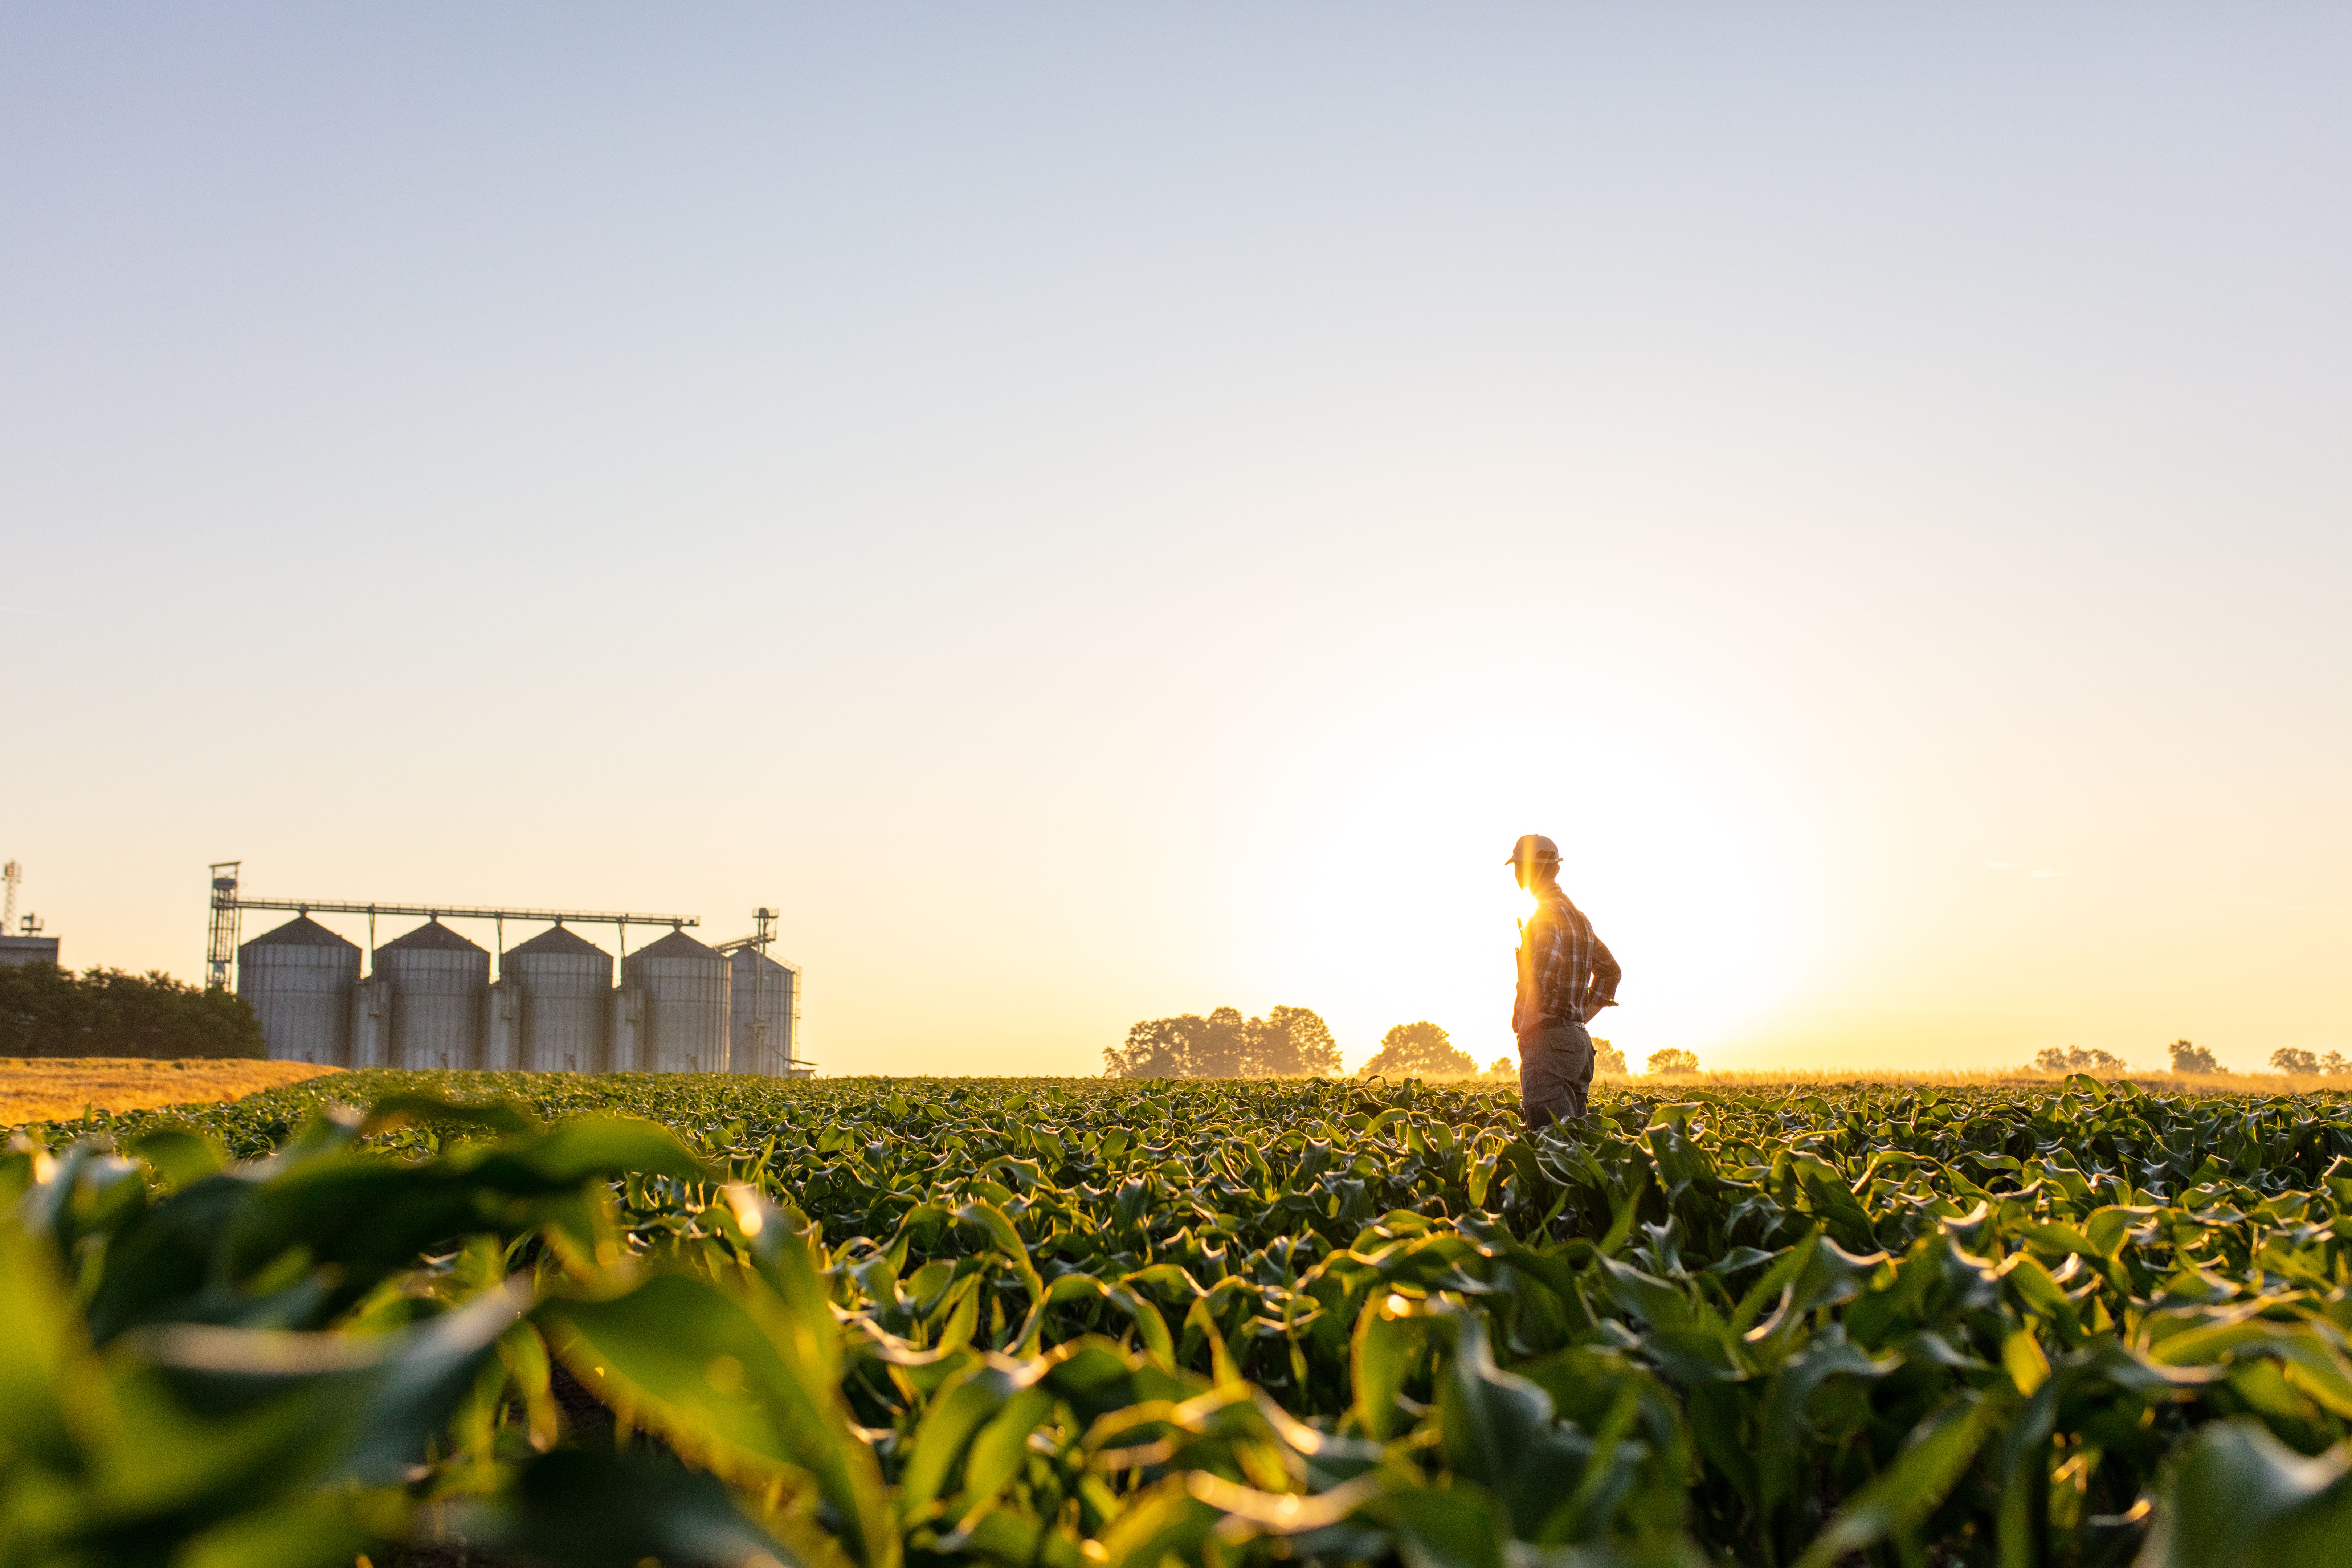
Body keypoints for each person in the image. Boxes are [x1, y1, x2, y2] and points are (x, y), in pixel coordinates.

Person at [1507, 834, 1620, 1131]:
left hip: (1547, 1041)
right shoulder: (1578, 918)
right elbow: (1611, 972)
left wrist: (1530, 1023)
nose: (1516, 875)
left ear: (1531, 870)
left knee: (1550, 1142)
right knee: (1576, 1141)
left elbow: (1545, 964)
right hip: (1578, 1044)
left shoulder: (1543, 913)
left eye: (1518, 867)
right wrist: (1577, 1018)